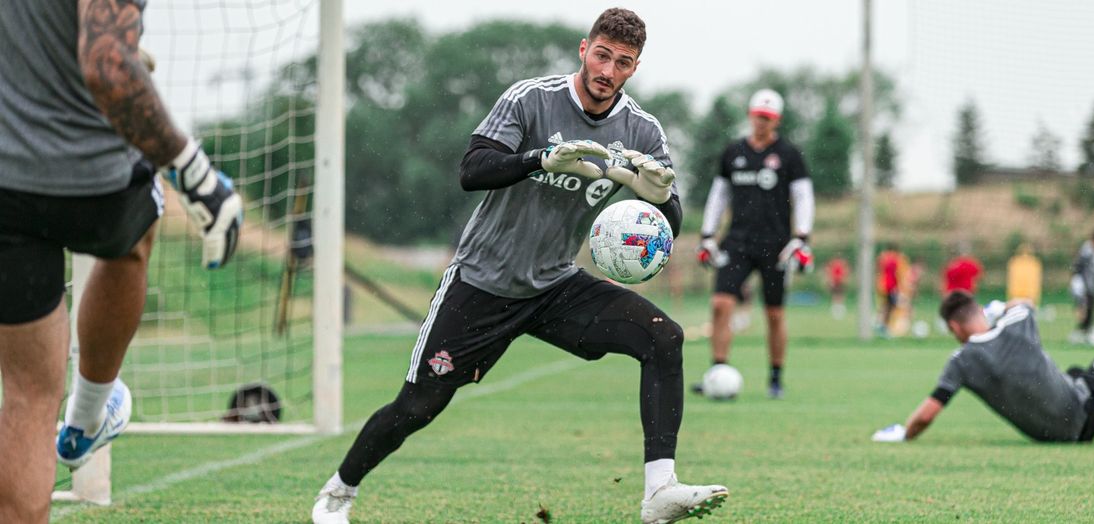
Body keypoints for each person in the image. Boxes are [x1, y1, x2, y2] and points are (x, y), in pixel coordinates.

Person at [311, 9, 726, 524]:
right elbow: (472, 170)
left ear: (633, 68)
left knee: (663, 337)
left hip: (555, 285)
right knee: (418, 406)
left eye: (623, 62)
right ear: (583, 49)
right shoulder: (531, 98)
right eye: (601, 55)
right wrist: (538, 160)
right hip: (483, 282)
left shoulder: (642, 130)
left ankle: (660, 489)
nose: (607, 71)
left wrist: (659, 196)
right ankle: (338, 492)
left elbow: (673, 221)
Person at [0, 2, 243, 521]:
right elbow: (106, 62)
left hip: (4, 185)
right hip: (91, 180)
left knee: (26, 396)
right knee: (139, 222)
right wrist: (196, 175)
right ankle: (89, 415)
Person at [872, 291, 1094, 447]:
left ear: (955, 326)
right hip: (1082, 419)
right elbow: (1025, 302)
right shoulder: (1016, 323)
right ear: (978, 312)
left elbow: (928, 413)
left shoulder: (961, 361)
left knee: (1079, 373)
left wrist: (904, 434)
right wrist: (998, 308)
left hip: (1047, 433)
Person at [695, 88, 814, 399]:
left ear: (777, 121)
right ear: (750, 115)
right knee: (721, 305)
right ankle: (717, 371)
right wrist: (707, 235)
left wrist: (802, 237)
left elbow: (803, 197)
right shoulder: (733, 152)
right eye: (758, 116)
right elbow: (718, 195)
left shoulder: (789, 155)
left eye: (768, 118)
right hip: (737, 242)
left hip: (776, 245)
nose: (762, 122)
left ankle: (776, 378)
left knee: (774, 314)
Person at [1070, 231, 1094, 346]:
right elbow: (1077, 267)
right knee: (1084, 310)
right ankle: (1079, 333)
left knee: (1091, 310)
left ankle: (1086, 332)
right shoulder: (1086, 251)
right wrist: (1077, 281)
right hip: (1084, 287)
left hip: (1091, 287)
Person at [876, 246, 902, 336]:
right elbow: (896, 274)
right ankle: (883, 325)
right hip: (891, 286)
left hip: (883, 285)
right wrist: (897, 287)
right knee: (890, 306)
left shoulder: (882, 258)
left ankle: (881, 323)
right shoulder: (894, 260)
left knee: (885, 305)